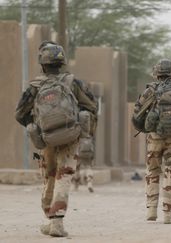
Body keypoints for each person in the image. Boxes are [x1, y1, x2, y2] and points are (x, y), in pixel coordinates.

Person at [15, 41, 97, 237]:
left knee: (50, 175)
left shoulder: (34, 86)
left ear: (42, 64)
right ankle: (57, 221)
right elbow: (92, 107)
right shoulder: (74, 83)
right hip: (71, 137)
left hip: (47, 139)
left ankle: (49, 218)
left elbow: (19, 114)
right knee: (64, 175)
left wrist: (37, 124)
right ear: (62, 63)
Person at [132, 59, 171, 224]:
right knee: (170, 171)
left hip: (154, 137)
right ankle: (168, 213)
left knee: (152, 171)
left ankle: (151, 209)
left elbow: (137, 113)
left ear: (156, 73)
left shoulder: (151, 90)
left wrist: (146, 128)